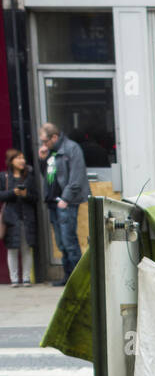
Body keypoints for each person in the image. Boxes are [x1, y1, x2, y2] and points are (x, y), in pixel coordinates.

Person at [37, 121, 90, 284]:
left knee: (69, 241)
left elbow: (77, 176)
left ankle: (79, 279)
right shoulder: (50, 152)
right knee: (60, 242)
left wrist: (66, 199)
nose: (43, 144)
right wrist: (42, 160)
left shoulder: (71, 148)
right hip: (53, 201)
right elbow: (47, 176)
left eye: (45, 141)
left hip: (66, 202)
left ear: (54, 137)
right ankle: (68, 277)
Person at [1, 148, 38, 286]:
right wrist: (13, 192)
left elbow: (36, 198)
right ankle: (14, 279)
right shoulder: (3, 177)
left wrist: (25, 195)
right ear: (11, 161)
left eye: (23, 158)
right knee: (12, 249)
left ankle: (26, 278)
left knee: (27, 248)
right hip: (11, 218)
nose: (22, 161)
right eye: (18, 158)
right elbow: (1, 195)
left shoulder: (29, 178)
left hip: (27, 217)